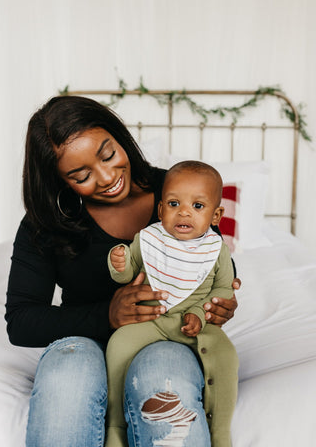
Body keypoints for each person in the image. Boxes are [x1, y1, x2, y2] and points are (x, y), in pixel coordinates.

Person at [5, 96, 240, 447]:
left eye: (108, 154)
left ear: (119, 137)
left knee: (163, 379)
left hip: (167, 338)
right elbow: (21, 320)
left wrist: (218, 305)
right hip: (82, 340)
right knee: (67, 377)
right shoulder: (47, 222)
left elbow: (213, 265)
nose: (106, 178)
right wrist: (108, 316)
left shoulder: (180, 192)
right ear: (60, 181)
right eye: (80, 175)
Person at [106, 161, 238, 447]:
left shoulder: (216, 250)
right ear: (161, 210)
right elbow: (130, 272)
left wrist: (199, 316)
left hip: (194, 324)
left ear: (216, 215)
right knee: (118, 344)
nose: (185, 212)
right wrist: (119, 262)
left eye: (198, 206)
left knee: (227, 357)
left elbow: (224, 288)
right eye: (174, 203)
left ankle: (220, 431)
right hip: (152, 320)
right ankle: (115, 425)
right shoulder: (150, 239)